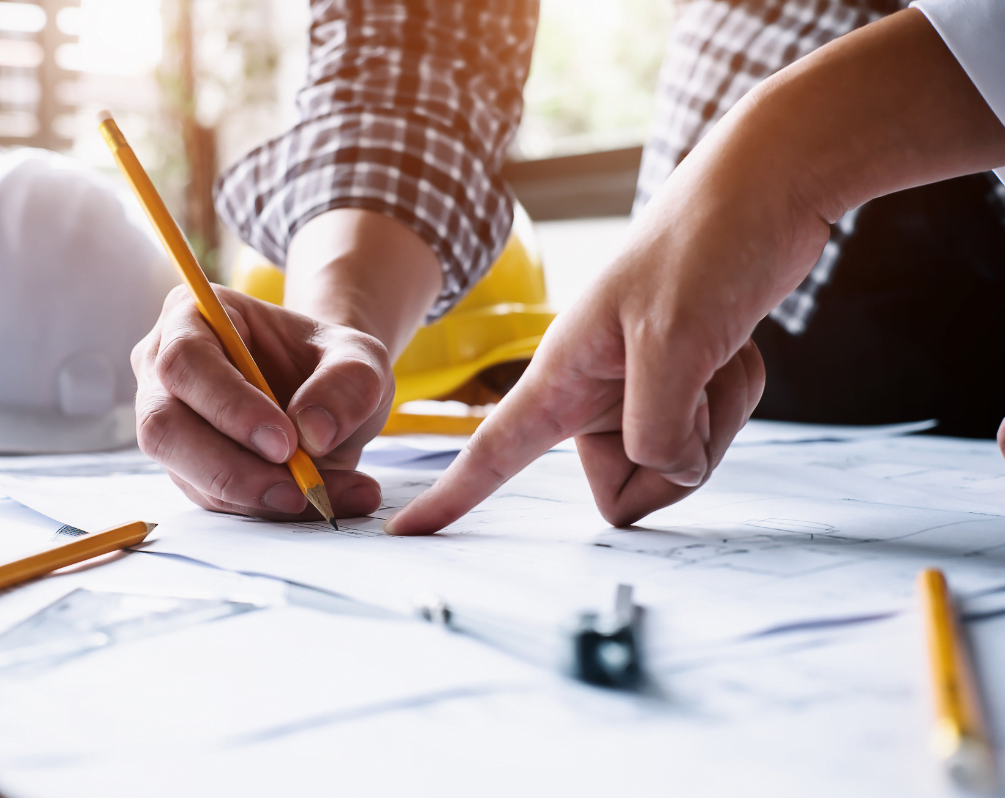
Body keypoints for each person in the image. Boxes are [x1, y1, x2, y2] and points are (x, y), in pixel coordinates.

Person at [130, 0, 1005, 529]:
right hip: (742, 273)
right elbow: (415, 48)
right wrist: (340, 324)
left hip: (754, 189)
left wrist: (783, 157)